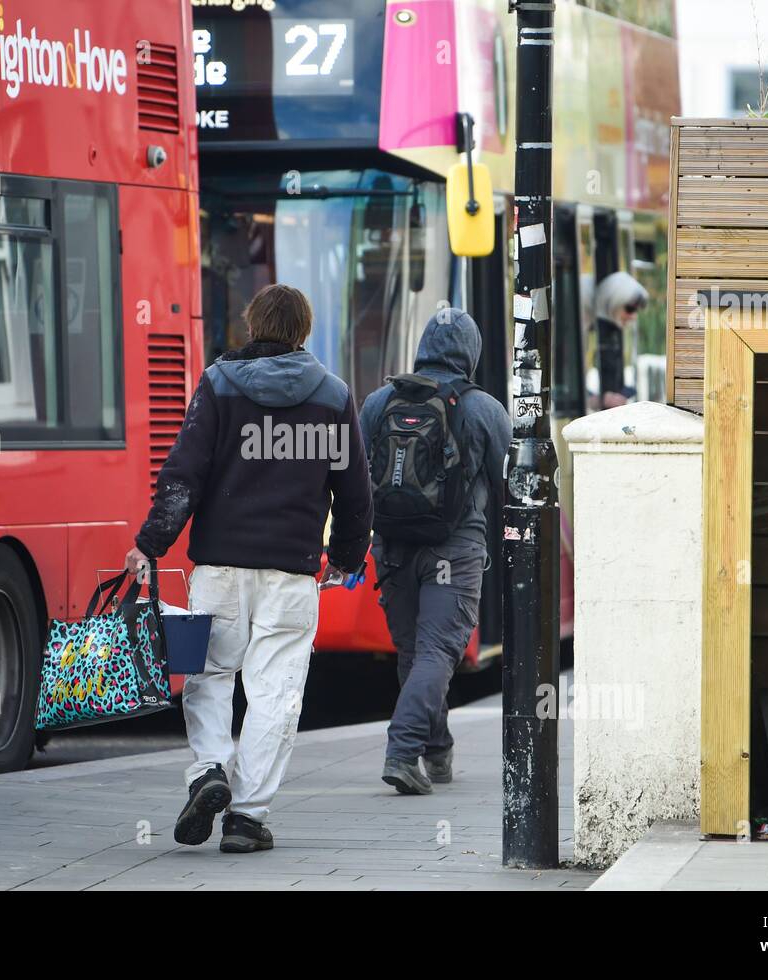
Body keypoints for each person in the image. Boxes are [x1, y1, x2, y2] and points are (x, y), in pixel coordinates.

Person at [126, 284, 372, 853]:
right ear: (303, 332)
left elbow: (183, 475)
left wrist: (151, 543)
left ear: (252, 323)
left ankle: (209, 769)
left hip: (219, 568)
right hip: (290, 574)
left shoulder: (217, 385)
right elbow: (356, 495)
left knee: (210, 676)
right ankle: (246, 816)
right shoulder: (333, 397)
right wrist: (344, 560)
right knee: (275, 695)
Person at [360, 307, 513, 794]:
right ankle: (403, 752)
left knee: (416, 653)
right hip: (454, 549)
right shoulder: (484, 409)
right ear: (471, 354)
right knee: (437, 651)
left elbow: (357, 480)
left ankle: (437, 749)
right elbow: (511, 486)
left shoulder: (378, 402)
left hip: (393, 548)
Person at [592, 271, 649, 411]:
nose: (633, 317)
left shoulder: (613, 332)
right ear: (613, 301)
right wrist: (600, 399)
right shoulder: (589, 326)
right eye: (629, 309)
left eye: (636, 311)